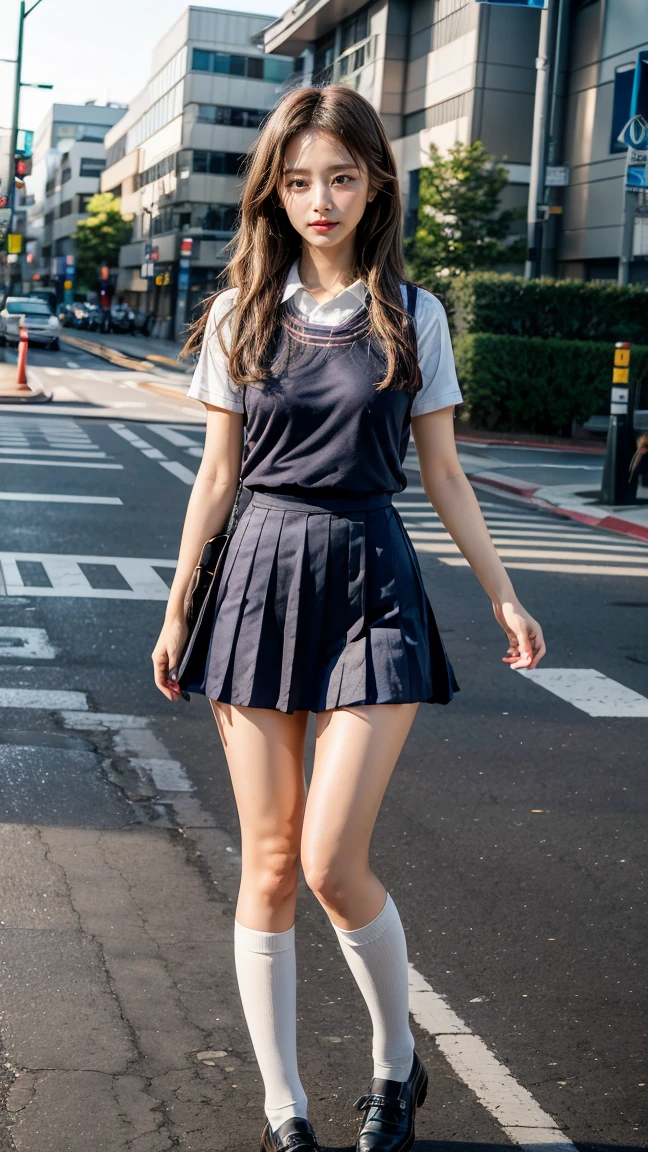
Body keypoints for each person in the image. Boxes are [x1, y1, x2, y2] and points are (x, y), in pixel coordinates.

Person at [152, 84, 546, 1152]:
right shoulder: (241, 310)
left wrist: (503, 589)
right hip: (258, 580)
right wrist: (180, 604)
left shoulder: (412, 314)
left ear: (376, 183)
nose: (318, 199)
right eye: (296, 180)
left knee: (331, 862)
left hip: (373, 582)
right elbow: (216, 475)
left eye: (339, 176)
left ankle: (394, 1065)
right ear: (273, 194)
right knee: (270, 863)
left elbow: (448, 474)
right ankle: (284, 1104)